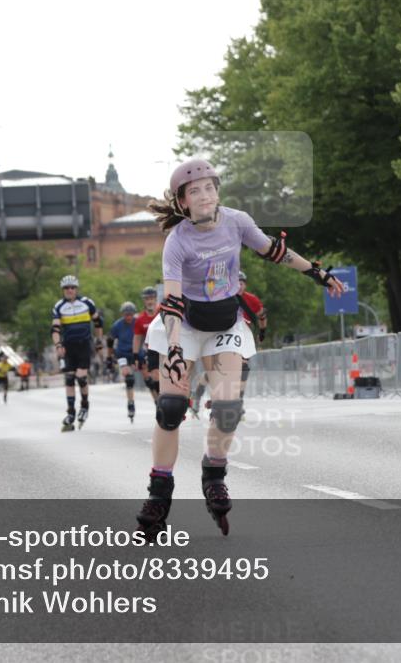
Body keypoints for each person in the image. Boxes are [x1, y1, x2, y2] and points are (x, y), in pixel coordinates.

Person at [136, 159, 344, 538]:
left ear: (218, 192)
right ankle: (159, 493)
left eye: (210, 187)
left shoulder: (237, 222)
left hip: (224, 321)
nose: (205, 195)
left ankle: (213, 473)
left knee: (229, 407)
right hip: (184, 323)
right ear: (182, 202)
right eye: (195, 191)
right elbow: (171, 303)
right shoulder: (177, 241)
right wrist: (177, 351)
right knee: (171, 408)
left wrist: (319, 273)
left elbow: (276, 253)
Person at [191, 270, 268, 416]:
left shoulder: (251, 299)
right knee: (214, 371)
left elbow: (262, 315)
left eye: (242, 283)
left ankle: (238, 401)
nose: (239, 286)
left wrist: (262, 331)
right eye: (236, 283)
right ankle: (198, 396)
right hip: (220, 333)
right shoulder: (222, 296)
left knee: (243, 368)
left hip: (241, 336)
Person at [51, 275, 104, 431]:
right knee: (69, 378)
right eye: (66, 288)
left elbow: (98, 322)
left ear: (77, 289)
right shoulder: (59, 306)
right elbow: (55, 329)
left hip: (84, 345)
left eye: (72, 287)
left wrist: (99, 340)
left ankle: (85, 406)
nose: (70, 290)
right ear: (63, 290)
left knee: (81, 378)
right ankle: (71, 412)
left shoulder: (87, 303)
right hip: (68, 346)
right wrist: (58, 344)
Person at [110, 301, 140, 422]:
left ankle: (158, 402)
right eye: (126, 314)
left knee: (150, 379)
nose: (128, 317)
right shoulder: (117, 325)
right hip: (122, 353)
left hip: (135, 352)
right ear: (122, 314)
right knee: (129, 378)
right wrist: (109, 357)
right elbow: (110, 341)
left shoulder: (137, 322)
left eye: (130, 314)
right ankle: (131, 403)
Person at [132, 286, 161, 405]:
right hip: (151, 350)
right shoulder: (140, 319)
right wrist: (135, 355)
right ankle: (159, 402)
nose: (150, 301)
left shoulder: (162, 313)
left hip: (166, 349)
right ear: (144, 301)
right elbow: (137, 338)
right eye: (147, 299)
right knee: (154, 378)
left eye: (152, 298)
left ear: (155, 299)